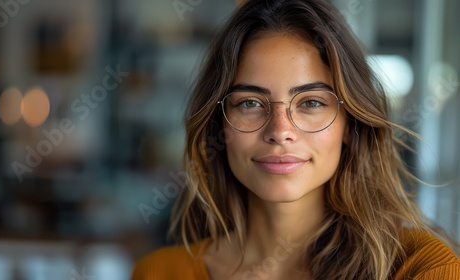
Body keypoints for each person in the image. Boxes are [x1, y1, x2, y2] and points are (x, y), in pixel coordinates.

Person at [131, 0, 460, 279]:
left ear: (350, 124)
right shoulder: (159, 271)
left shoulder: (420, 267)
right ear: (220, 125)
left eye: (311, 103)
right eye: (249, 103)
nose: (279, 131)